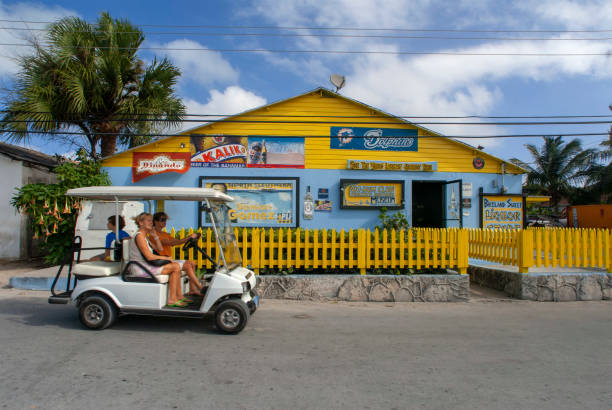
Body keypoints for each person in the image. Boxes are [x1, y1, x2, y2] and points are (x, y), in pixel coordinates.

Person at [129, 212, 187, 308]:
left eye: (151, 221)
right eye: (148, 221)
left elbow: (159, 249)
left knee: (175, 266)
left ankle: (177, 297)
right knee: (175, 266)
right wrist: (166, 258)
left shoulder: (145, 236)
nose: (151, 223)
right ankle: (173, 299)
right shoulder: (139, 236)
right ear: (141, 223)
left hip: (147, 265)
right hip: (140, 268)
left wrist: (155, 236)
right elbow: (149, 257)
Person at [150, 212, 204, 297]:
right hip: (162, 261)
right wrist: (189, 237)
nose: (165, 222)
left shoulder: (165, 234)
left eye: (165, 220)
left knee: (192, 262)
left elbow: (176, 242)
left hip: (168, 260)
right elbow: (171, 242)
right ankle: (201, 288)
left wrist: (189, 238)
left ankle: (192, 289)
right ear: (155, 222)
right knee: (188, 265)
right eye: (162, 220)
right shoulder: (154, 235)